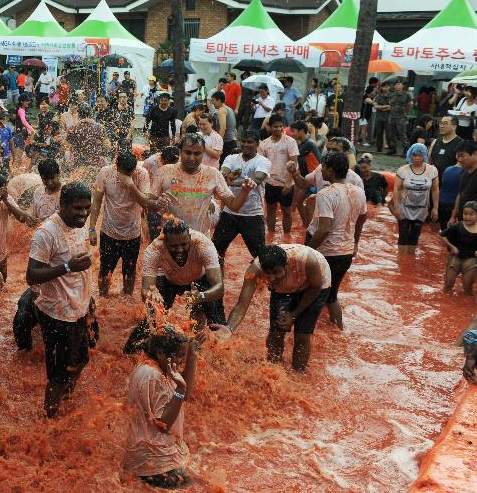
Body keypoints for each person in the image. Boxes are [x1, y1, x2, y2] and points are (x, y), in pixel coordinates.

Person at [26, 182, 95, 418]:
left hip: (79, 308)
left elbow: (82, 268)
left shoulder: (81, 225)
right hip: (56, 315)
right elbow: (31, 275)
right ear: (62, 205)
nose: (83, 214)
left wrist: (89, 299)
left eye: (87, 208)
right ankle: (50, 421)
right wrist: (66, 267)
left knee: (82, 360)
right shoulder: (46, 233)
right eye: (77, 208)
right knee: (57, 375)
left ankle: (66, 398)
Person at [226, 244, 332, 372]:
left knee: (302, 334)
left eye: (276, 272)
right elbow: (241, 305)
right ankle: (273, 370)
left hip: (314, 286)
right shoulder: (254, 270)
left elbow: (316, 287)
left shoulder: (308, 261)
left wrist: (294, 315)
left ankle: (298, 374)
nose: (271, 278)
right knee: (276, 331)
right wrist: (229, 329)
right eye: (267, 274)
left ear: (287, 265)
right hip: (283, 289)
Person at [124, 219, 224, 353]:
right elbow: (145, 290)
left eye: (184, 244)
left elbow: (219, 287)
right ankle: (133, 351)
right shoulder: (154, 249)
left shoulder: (203, 244)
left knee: (217, 323)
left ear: (190, 238)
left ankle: (219, 356)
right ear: (164, 242)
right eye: (174, 246)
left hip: (200, 279)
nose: (180, 250)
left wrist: (201, 296)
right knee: (153, 316)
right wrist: (152, 298)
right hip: (168, 280)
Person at [123, 327, 204, 489]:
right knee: (196, 487)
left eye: (183, 355)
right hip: (154, 463)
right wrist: (179, 390)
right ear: (161, 353)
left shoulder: (157, 366)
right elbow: (164, 425)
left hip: (149, 455)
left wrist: (192, 357)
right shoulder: (153, 376)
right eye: (179, 356)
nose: (181, 361)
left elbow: (185, 395)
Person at [304, 151, 367, 330]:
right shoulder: (359, 192)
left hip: (325, 252)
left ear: (330, 171)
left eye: (323, 166)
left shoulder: (326, 194)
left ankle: (307, 332)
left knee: (310, 293)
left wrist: (307, 251)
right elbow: (363, 218)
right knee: (332, 296)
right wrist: (355, 242)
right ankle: (338, 331)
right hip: (345, 253)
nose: (320, 169)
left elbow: (324, 228)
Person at [151, 133, 253, 234]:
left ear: (203, 153)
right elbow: (149, 204)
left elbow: (233, 206)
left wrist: (245, 191)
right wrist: (157, 203)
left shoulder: (213, 174)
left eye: (197, 154)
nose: (191, 158)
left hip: (200, 239)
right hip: (171, 239)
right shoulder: (165, 171)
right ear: (180, 151)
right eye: (187, 152)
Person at [89, 151, 151, 296]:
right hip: (109, 232)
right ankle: (103, 299)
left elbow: (146, 203)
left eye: (131, 172)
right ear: (116, 167)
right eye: (125, 172)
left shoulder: (141, 174)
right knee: (105, 270)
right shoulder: (105, 172)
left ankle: (127, 300)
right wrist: (92, 228)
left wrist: (130, 185)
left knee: (129, 272)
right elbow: (97, 201)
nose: (129, 175)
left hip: (132, 234)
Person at [213, 131, 271, 263]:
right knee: (215, 252)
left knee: (261, 257)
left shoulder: (263, 162)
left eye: (250, 142)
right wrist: (225, 177)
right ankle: (219, 281)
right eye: (243, 141)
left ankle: (260, 282)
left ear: (257, 144)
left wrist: (230, 181)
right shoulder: (231, 158)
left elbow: (256, 179)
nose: (246, 144)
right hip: (229, 213)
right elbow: (222, 174)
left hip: (253, 215)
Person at [0, 171, 38, 283]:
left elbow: (20, 218)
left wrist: (6, 200)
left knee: (1, 287)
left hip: (1, 254)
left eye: (2, 188)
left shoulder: (6, 199)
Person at [392, 143, 439, 254]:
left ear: (425, 156)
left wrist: (435, 208)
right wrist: (396, 207)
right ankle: (402, 262)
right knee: (403, 235)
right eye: (414, 155)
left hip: (421, 210)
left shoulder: (432, 171)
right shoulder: (403, 170)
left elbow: (435, 190)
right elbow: (396, 189)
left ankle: (410, 261)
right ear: (410, 155)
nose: (417, 158)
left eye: (420, 155)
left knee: (414, 236)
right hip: (404, 209)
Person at [258, 115, 299, 234]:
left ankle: (287, 237)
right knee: (270, 210)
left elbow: (293, 163)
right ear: (270, 127)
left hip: (286, 183)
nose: (278, 129)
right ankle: (270, 235)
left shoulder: (290, 142)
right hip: (270, 182)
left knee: (287, 211)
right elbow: (262, 164)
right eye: (275, 126)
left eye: (281, 126)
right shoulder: (264, 144)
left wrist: (288, 182)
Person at [441, 201, 477, 294]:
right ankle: (445, 305)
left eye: (471, 214)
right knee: (448, 284)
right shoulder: (457, 226)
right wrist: (452, 247)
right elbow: (442, 235)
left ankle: (465, 307)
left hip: (471, 259)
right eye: (465, 214)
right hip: (455, 257)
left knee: (467, 286)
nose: (467, 217)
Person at [210, 91, 236, 166]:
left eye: (213, 100)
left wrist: (219, 144)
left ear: (219, 100)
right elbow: (234, 128)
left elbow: (223, 128)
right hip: (232, 141)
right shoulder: (229, 109)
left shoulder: (222, 110)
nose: (212, 103)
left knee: (222, 166)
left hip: (227, 143)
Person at [387, 81, 413, 155]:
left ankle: (406, 149)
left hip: (401, 117)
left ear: (402, 86)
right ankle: (393, 149)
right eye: (396, 84)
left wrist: (406, 113)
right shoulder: (392, 95)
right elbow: (390, 105)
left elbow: (410, 104)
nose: (397, 86)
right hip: (392, 116)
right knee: (392, 134)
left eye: (399, 84)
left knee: (402, 133)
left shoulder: (406, 95)